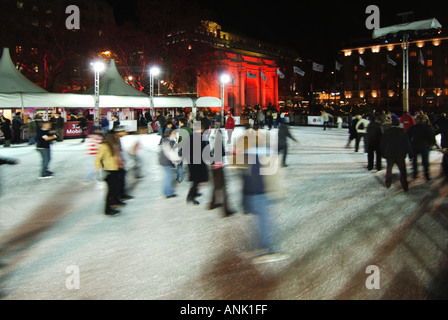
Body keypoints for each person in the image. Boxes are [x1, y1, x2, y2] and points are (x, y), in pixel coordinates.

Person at [95, 126, 131, 215]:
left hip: (117, 167)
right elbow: (98, 159)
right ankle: (108, 209)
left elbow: (118, 154)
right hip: (109, 170)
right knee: (111, 190)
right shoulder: (104, 146)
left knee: (116, 187)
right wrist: (98, 171)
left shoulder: (115, 143)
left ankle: (115, 201)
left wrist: (122, 163)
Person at [208, 123, 236, 217]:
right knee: (223, 188)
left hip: (214, 167)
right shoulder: (218, 143)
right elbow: (221, 154)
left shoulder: (214, 142)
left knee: (216, 186)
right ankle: (226, 210)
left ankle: (212, 204)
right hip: (218, 168)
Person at [381, 116, 413, 192]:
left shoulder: (387, 132)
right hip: (400, 154)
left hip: (389, 154)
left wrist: (383, 152)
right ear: (399, 124)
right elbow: (407, 144)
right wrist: (410, 154)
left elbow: (382, 143)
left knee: (389, 168)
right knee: (402, 170)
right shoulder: (403, 133)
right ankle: (405, 185)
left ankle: (388, 183)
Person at [186, 119, 209, 206]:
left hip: (192, 162)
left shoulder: (191, 136)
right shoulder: (200, 138)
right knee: (197, 180)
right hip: (197, 162)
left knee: (197, 180)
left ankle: (195, 193)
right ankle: (190, 196)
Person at [407, 115, 436, 181]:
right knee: (425, 162)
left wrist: (410, 145)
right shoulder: (428, 128)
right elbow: (432, 137)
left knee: (414, 161)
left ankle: (415, 174)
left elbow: (408, 136)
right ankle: (426, 175)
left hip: (414, 146)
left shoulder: (413, 128)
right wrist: (430, 144)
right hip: (424, 146)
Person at [159, 129, 179, 199]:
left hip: (165, 161)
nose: (176, 136)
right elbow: (169, 153)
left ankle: (166, 192)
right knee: (169, 176)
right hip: (166, 161)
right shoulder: (168, 141)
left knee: (168, 176)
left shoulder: (168, 140)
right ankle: (168, 193)